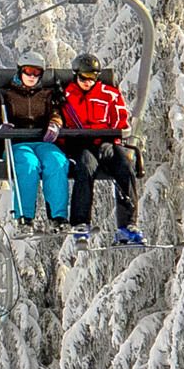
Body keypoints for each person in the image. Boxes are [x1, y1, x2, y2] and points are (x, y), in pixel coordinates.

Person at [55, 52, 141, 245]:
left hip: (106, 142)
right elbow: (59, 118)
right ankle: (81, 222)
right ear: (76, 75)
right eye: (83, 78)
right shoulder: (66, 96)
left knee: (125, 166)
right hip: (81, 144)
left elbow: (120, 118)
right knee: (85, 168)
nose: (87, 82)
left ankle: (128, 224)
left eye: (92, 77)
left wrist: (115, 133)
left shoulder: (108, 94)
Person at [0, 52, 68, 231]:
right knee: (28, 165)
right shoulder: (7, 95)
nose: (32, 76)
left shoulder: (47, 95)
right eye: (28, 71)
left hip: (43, 142)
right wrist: (1, 127)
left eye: (36, 73)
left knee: (57, 162)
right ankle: (25, 217)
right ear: (20, 71)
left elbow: (56, 112)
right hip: (18, 143)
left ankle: (58, 216)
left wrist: (55, 124)